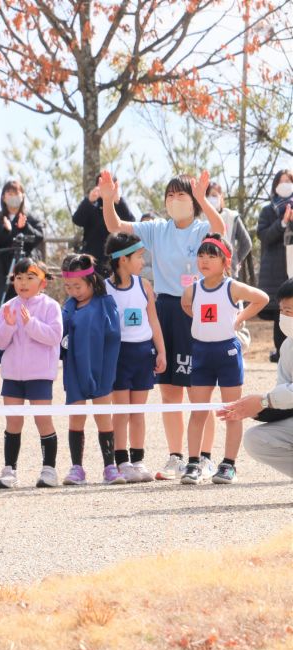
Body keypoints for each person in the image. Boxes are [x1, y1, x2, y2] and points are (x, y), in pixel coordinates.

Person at [98, 169, 225, 482]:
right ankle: (176, 457)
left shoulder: (200, 228)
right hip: (166, 307)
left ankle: (204, 457)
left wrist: (202, 200)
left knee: (200, 391)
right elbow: (116, 227)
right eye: (170, 195)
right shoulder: (157, 229)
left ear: (193, 200)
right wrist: (108, 200)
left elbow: (219, 229)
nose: (174, 200)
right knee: (170, 393)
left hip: (195, 308)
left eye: (181, 195)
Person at [180, 234, 268, 484]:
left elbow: (262, 298)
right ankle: (194, 464)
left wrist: (239, 318)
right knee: (198, 411)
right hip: (201, 353)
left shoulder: (232, 287)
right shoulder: (192, 289)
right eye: (201, 255)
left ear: (225, 261)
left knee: (232, 411)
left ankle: (228, 464)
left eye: (211, 255)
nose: (204, 260)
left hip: (227, 353)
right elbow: (186, 305)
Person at [0, 258, 62, 489]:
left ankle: (49, 469)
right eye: (19, 278)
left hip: (40, 374)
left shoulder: (51, 306)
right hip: (12, 375)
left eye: (30, 277)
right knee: (13, 421)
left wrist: (30, 323)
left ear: (43, 282)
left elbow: (54, 337)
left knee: (43, 420)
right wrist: (9, 325)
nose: (23, 282)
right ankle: (9, 470)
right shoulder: (6, 307)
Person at [104, 233, 166, 483]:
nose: (143, 261)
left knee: (138, 410)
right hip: (119, 354)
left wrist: (161, 350)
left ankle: (138, 460)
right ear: (122, 259)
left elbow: (153, 319)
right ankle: (122, 462)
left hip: (143, 353)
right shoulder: (104, 288)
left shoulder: (145, 286)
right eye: (139, 257)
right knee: (121, 410)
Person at [219, 277, 293, 478]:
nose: (284, 317)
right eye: (282, 311)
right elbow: (285, 401)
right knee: (257, 439)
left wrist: (263, 401)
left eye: (290, 311)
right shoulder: (288, 347)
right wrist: (252, 409)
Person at [60, 254, 122, 486]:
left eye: (77, 286)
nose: (73, 291)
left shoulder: (105, 303)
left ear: (91, 281)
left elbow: (114, 336)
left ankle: (109, 466)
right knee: (76, 417)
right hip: (75, 368)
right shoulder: (68, 307)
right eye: (68, 286)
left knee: (103, 417)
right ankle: (77, 467)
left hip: (101, 366)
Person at [0, 180, 46, 306]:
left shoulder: (31, 217)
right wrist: (5, 230)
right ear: (3, 197)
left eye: (16, 193)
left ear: (22, 195)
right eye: (9, 193)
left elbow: (39, 236)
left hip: (26, 265)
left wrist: (25, 226)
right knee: (1, 301)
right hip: (0, 269)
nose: (13, 196)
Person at [256, 169, 293, 362]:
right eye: (282, 181)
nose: (286, 184)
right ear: (275, 185)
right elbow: (264, 236)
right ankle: (281, 354)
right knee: (282, 312)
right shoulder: (268, 210)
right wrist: (282, 223)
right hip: (276, 269)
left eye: (289, 180)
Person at [72, 173, 135, 275]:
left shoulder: (119, 203)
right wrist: (89, 201)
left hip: (115, 257)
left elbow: (131, 222)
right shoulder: (93, 203)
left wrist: (118, 201)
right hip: (92, 257)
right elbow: (77, 220)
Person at [205, 182, 252, 276]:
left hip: (228, 272)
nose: (211, 198)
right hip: (204, 271)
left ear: (221, 197)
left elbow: (246, 243)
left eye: (214, 195)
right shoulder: (199, 218)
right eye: (207, 196)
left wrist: (235, 260)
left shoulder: (232, 217)